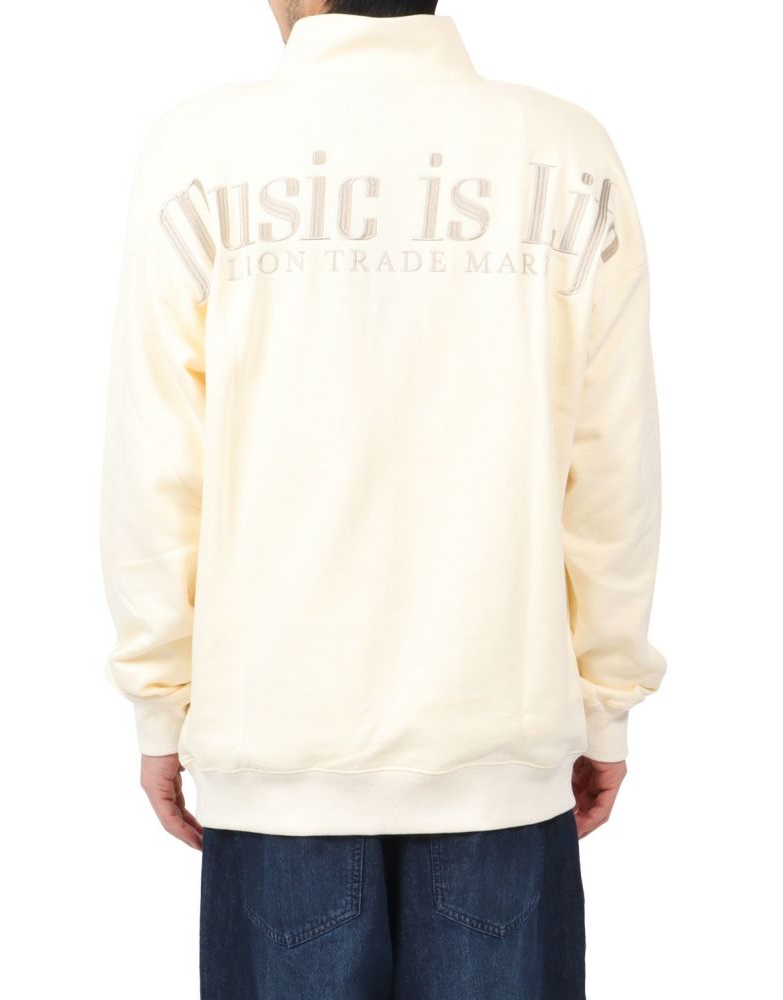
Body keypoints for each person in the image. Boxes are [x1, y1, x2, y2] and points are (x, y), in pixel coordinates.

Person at [99, 1, 667, 996]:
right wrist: (604, 705)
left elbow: (156, 469)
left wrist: (159, 706)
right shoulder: (566, 152)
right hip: (499, 756)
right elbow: (611, 474)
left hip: (278, 760)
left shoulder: (197, 152)